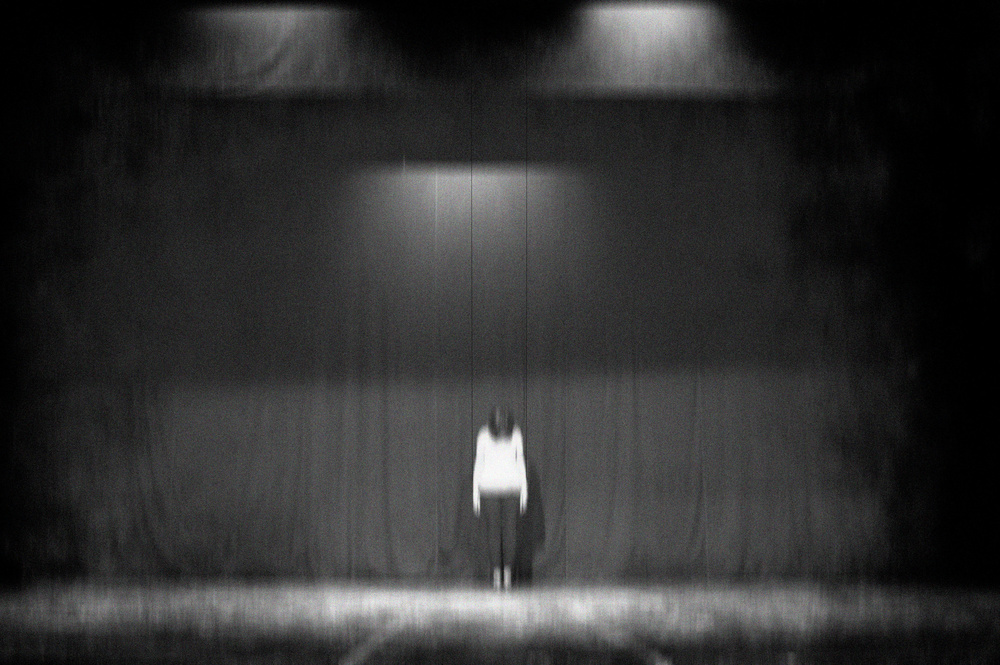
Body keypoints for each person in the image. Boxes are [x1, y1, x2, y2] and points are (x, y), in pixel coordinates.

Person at [472, 406, 527, 589]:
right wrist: (475, 492)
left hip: (511, 488)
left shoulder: (515, 433)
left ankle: (507, 574)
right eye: (498, 424)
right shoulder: (484, 435)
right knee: (495, 534)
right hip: (489, 488)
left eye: (504, 424)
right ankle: (498, 574)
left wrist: (524, 490)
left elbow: (520, 461)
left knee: (509, 533)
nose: (501, 428)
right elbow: (479, 462)